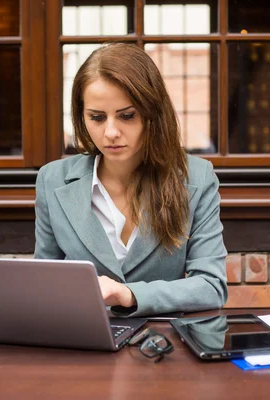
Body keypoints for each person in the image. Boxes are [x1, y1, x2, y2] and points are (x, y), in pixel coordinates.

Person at [34, 43, 228, 317]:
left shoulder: (196, 177)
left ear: (151, 114)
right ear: (82, 117)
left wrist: (129, 295)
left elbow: (211, 286)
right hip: (82, 342)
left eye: (127, 116)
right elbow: (44, 283)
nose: (111, 132)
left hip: (164, 345)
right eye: (97, 117)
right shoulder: (52, 180)